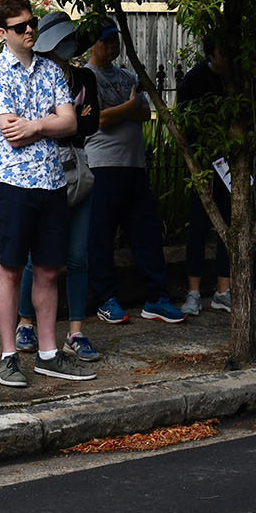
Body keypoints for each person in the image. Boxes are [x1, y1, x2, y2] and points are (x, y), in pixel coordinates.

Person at [0, 0, 90, 386]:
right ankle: (8, 356)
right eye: (21, 26)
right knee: (10, 269)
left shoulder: (51, 72)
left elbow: (70, 123)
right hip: (11, 184)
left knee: (47, 270)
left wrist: (36, 125)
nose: (30, 30)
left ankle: (48, 353)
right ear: (2, 34)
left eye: (32, 23)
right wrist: (48, 123)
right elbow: (12, 132)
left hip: (52, 183)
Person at [15, 12, 107, 361]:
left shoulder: (83, 76)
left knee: (78, 255)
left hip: (78, 170)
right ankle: (26, 323)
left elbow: (90, 123)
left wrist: (54, 124)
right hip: (41, 170)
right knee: (35, 256)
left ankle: (76, 331)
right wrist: (64, 121)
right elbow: (37, 122)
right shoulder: (34, 74)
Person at [86, 18, 188, 328]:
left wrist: (124, 109)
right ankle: (106, 298)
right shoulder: (85, 78)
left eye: (114, 39)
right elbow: (98, 120)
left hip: (134, 164)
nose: (112, 45)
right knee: (101, 235)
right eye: (105, 40)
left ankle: (156, 297)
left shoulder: (127, 75)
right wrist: (126, 108)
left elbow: (145, 111)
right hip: (101, 165)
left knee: (146, 231)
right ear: (92, 44)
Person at [178, 38, 232, 314]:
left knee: (228, 225)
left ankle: (224, 290)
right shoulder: (195, 79)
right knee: (198, 225)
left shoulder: (236, 80)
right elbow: (185, 120)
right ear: (212, 52)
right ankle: (194, 291)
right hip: (203, 159)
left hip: (229, 162)